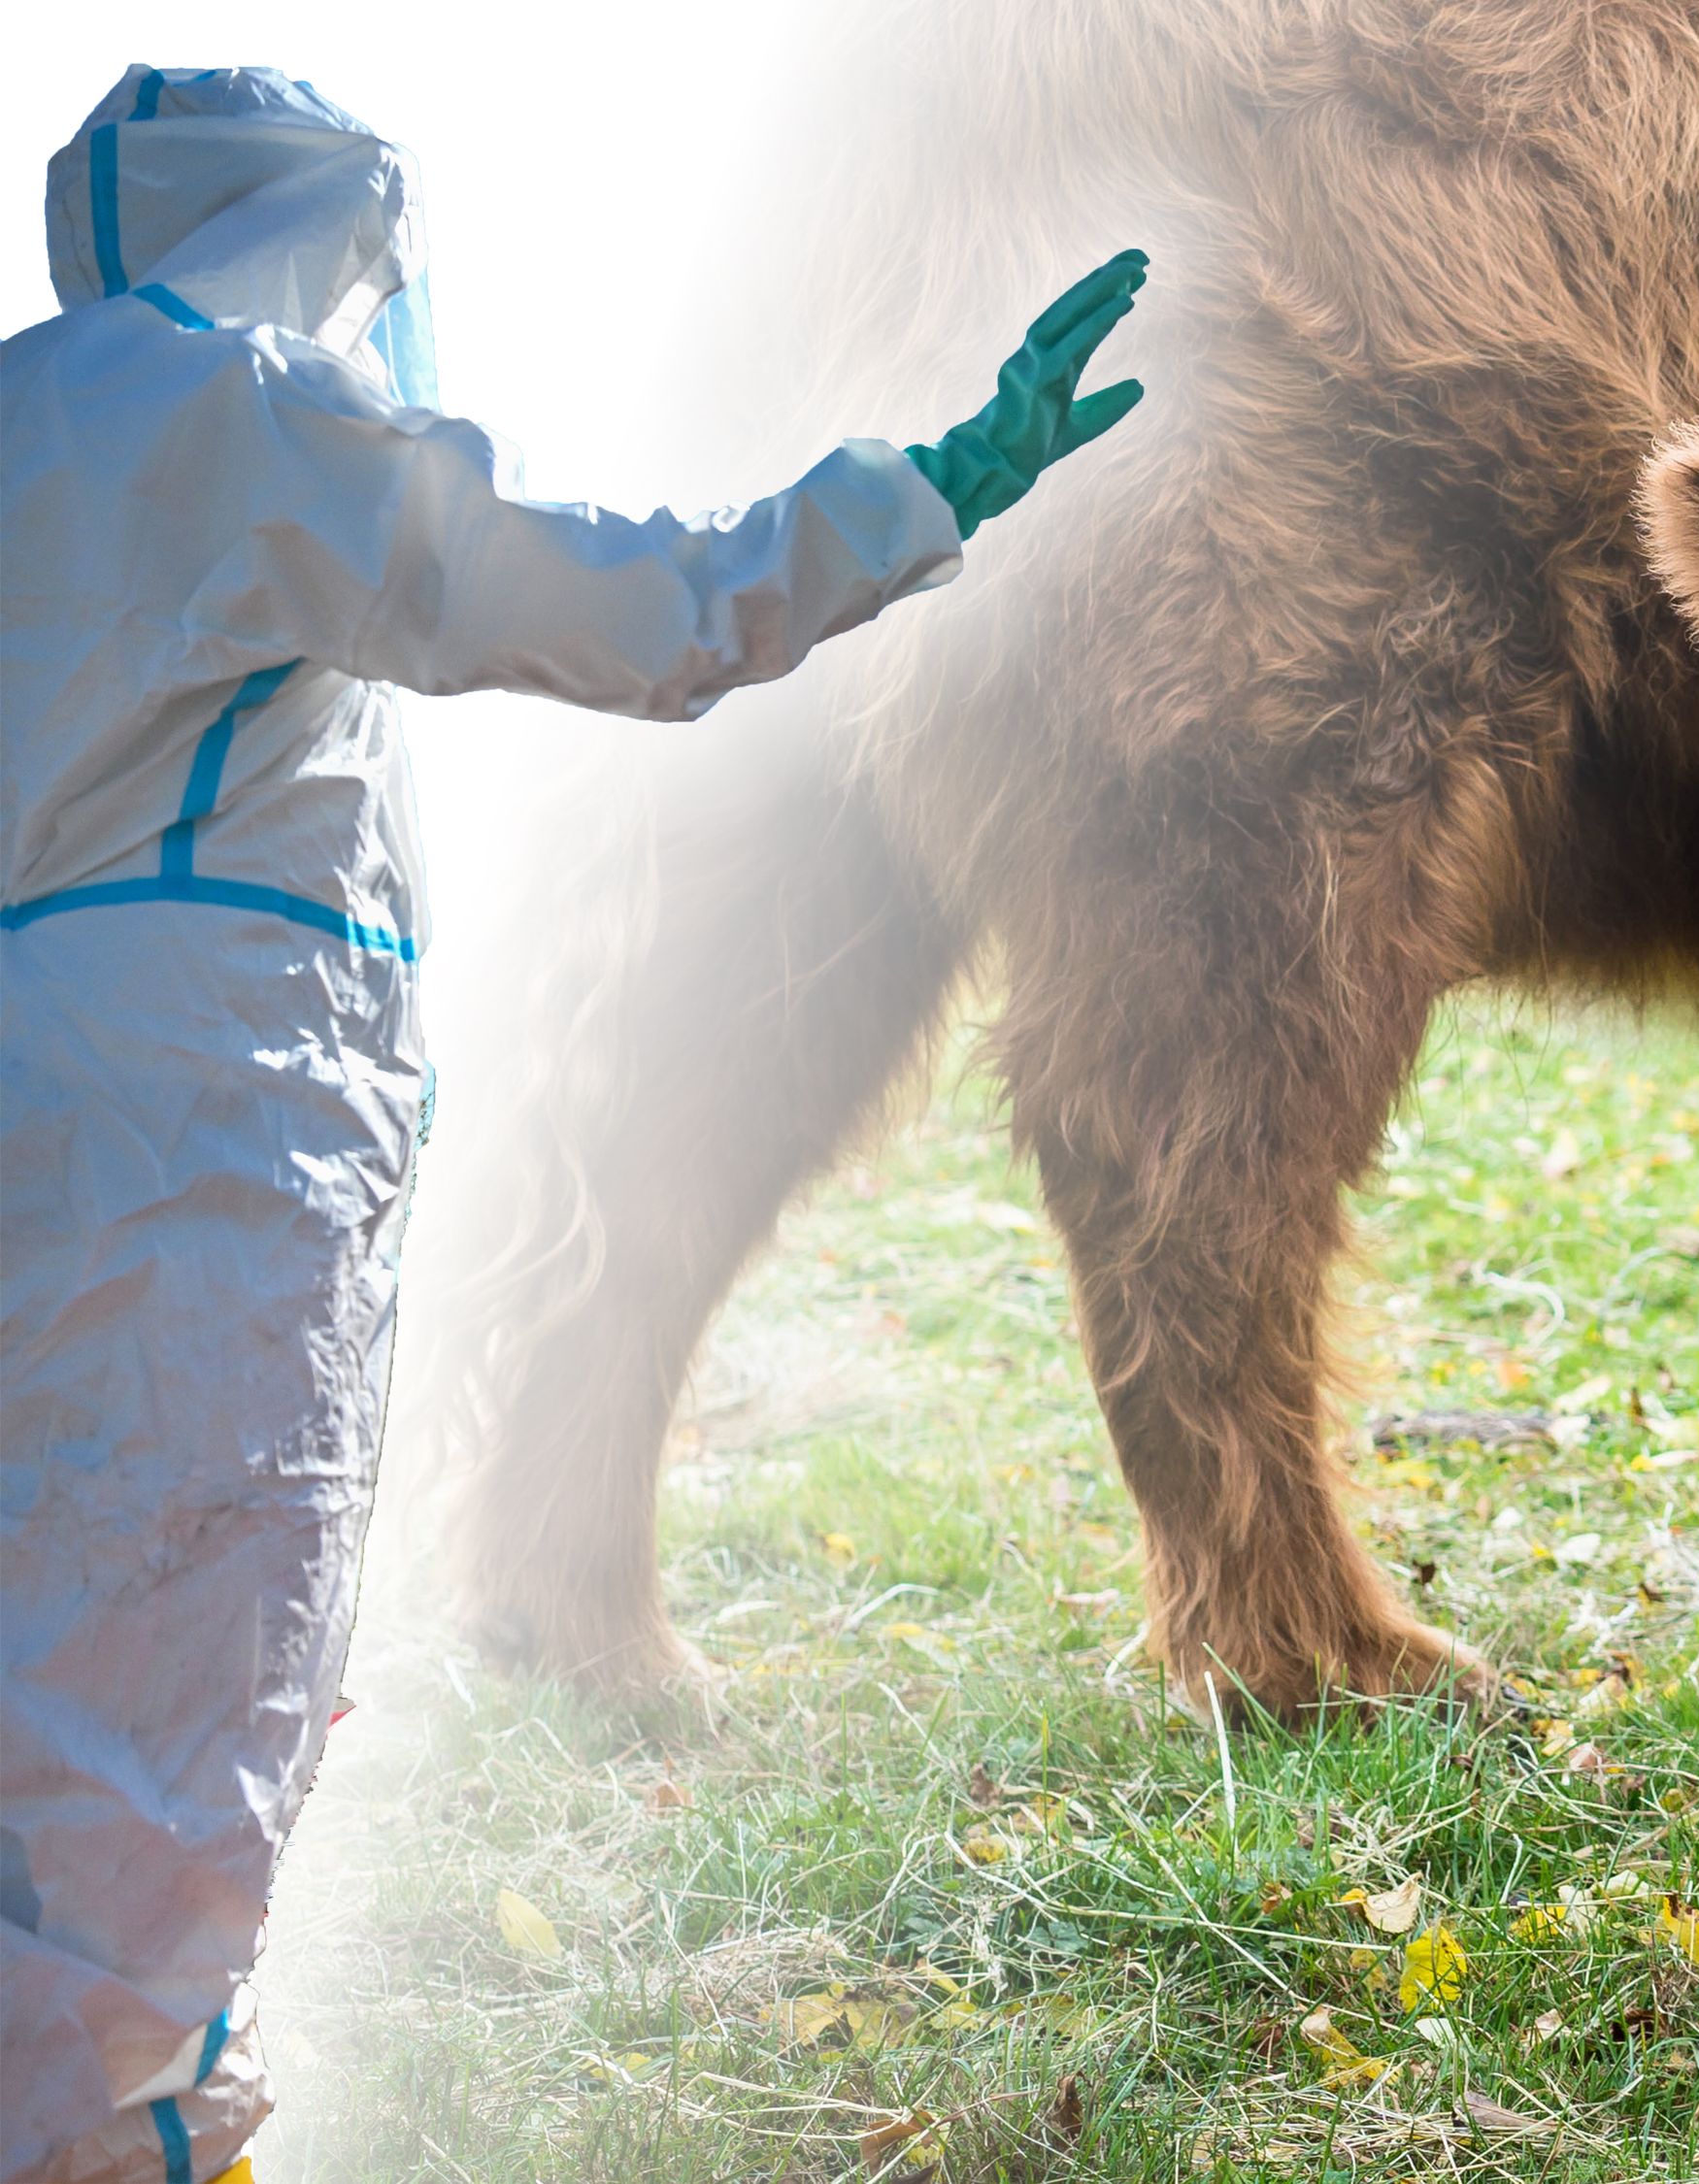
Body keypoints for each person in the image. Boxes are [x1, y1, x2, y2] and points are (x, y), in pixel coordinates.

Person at [0, 66, 1146, 2184]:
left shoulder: (17, 406)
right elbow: (621, 599)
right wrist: (935, 485)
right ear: (318, 225)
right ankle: (118, 2145)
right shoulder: (248, 405)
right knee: (182, 1619)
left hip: (44, 1079)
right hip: (198, 1112)